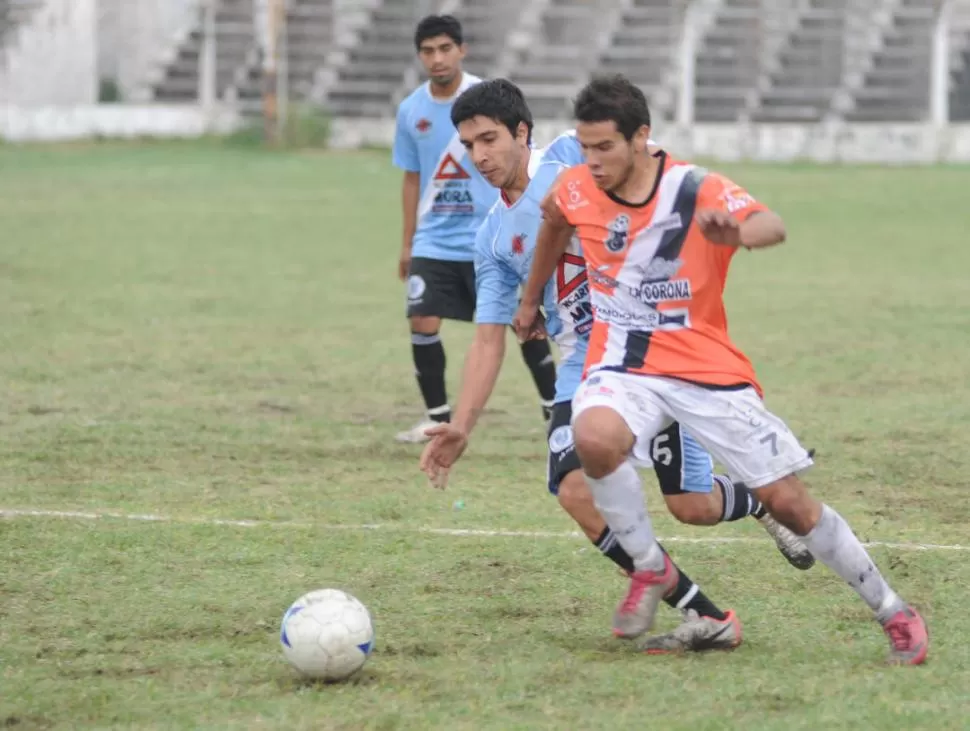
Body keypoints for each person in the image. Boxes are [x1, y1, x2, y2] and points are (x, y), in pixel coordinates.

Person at [513, 74, 928, 665]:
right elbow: (555, 220)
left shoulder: (690, 187)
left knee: (788, 502)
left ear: (641, 138)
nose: (593, 160)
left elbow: (772, 224)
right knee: (593, 438)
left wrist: (738, 233)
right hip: (622, 363)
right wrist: (531, 301)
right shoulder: (576, 186)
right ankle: (650, 569)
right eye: (585, 147)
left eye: (605, 146)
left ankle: (894, 611)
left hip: (700, 367)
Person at [419, 78, 815, 653]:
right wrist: (463, 424)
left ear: (522, 133)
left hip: (660, 348)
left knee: (692, 506)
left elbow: (645, 167)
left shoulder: (571, 159)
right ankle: (708, 615)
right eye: (468, 144)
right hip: (588, 366)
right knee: (578, 488)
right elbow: (488, 341)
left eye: (489, 139)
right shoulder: (492, 240)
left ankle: (754, 501)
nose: (480, 155)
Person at [391, 14, 557, 443]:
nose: (437, 58)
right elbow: (412, 177)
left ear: (461, 50)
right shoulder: (411, 111)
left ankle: (553, 407)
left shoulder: (485, 103)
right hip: (436, 239)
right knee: (422, 318)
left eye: (445, 48)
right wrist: (408, 242)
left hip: (495, 237)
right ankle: (438, 418)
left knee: (524, 321)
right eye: (428, 51)